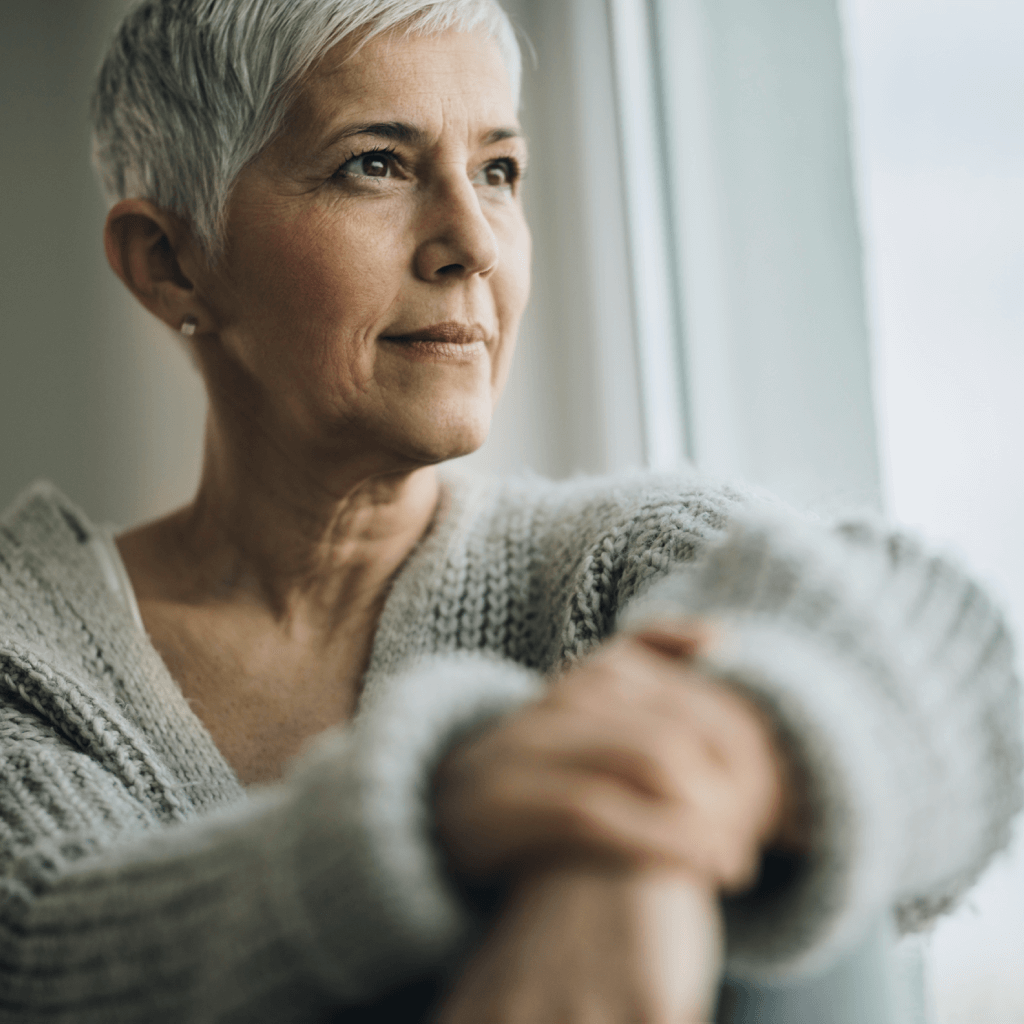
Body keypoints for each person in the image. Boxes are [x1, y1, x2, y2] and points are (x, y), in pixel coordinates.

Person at [0, 0, 1018, 1021]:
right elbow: (46, 947)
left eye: (498, 171)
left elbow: (954, 662)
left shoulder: (610, 565)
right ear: (170, 261)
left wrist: (669, 802)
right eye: (377, 164)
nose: (472, 243)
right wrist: (448, 812)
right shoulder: (28, 650)